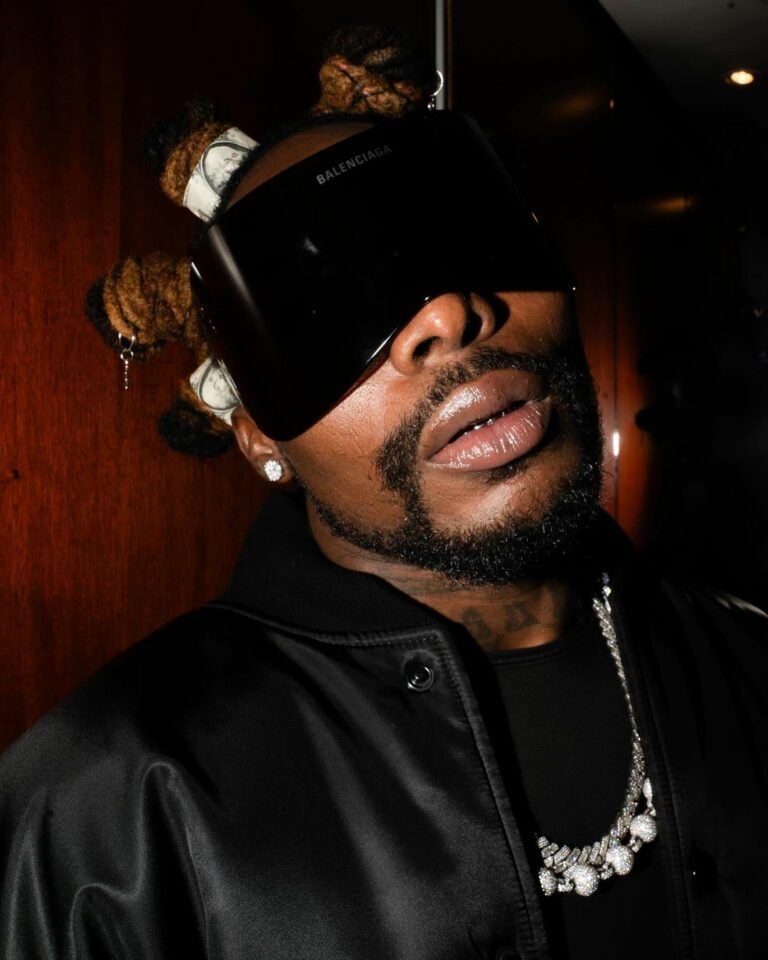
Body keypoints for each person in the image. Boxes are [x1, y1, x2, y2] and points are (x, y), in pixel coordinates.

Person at [1, 25, 766, 960]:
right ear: (258, 435)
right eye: (324, 309)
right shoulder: (108, 816)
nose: (446, 311)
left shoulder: (747, 666)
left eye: (467, 234)